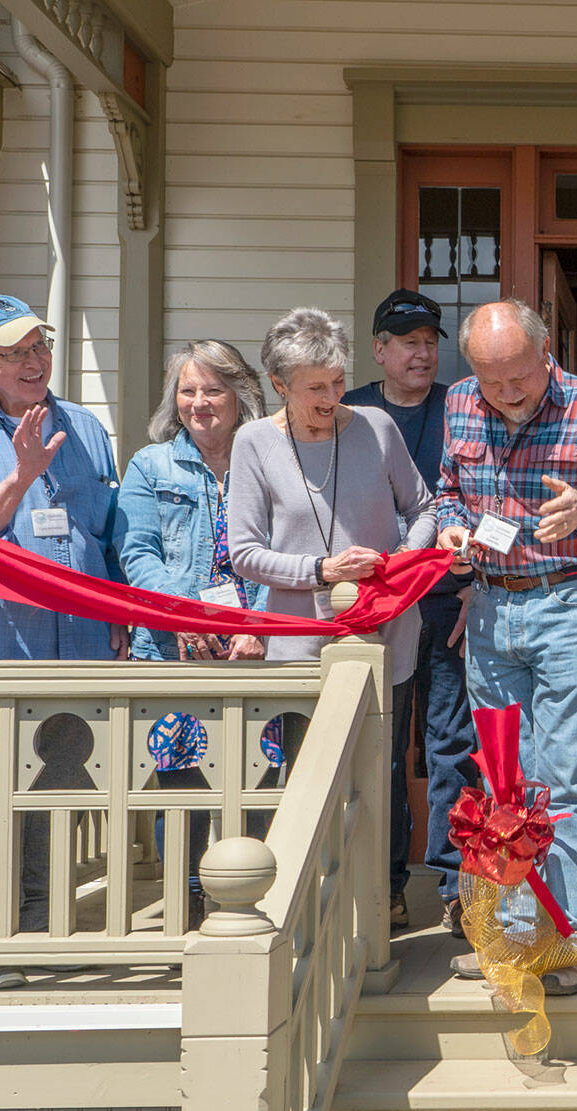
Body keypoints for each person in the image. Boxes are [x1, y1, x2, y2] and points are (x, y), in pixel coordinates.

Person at [433, 299, 577, 997]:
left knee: (563, 783)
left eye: (518, 379)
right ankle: (517, 936)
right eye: (491, 381)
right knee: (504, 786)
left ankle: (559, 939)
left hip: (567, 604)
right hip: (492, 607)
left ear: (545, 352)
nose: (505, 394)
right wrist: (450, 533)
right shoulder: (461, 403)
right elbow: (446, 495)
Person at [0, 294, 126, 990]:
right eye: (15, 353)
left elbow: (109, 532)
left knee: (60, 791)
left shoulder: (85, 427)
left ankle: (44, 930)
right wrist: (21, 477)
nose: (35, 361)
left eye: (40, 347)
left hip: (77, 639)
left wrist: (121, 618)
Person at [227, 307, 438, 931]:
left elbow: (424, 506)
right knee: (308, 771)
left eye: (337, 382)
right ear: (279, 384)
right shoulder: (254, 443)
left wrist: (399, 561)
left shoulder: (376, 427)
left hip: (386, 631)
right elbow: (243, 551)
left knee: (386, 768)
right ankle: (314, 895)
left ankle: (385, 891)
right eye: (315, 387)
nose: (331, 397)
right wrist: (321, 570)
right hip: (301, 642)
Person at [114, 340, 271, 920]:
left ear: (241, 395)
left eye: (213, 389)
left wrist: (257, 625)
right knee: (180, 782)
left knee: (256, 776)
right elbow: (136, 551)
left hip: (255, 651)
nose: (199, 402)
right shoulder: (148, 465)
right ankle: (184, 898)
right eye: (187, 390)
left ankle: (251, 895)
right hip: (173, 649)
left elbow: (283, 550)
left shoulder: (270, 459)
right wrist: (184, 613)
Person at [344, 289, 479, 938]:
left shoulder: (462, 407)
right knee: (384, 751)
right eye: (407, 343)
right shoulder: (351, 414)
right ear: (380, 350)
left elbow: (482, 503)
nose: (421, 353)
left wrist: (479, 579)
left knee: (455, 747)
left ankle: (457, 887)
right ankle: (385, 887)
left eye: (429, 342)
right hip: (375, 610)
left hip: (450, 607)